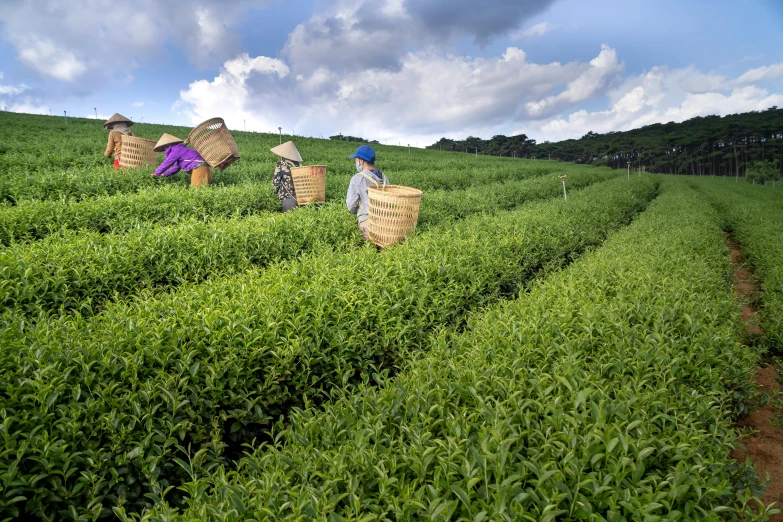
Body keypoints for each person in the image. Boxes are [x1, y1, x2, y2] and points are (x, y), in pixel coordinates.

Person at [346, 144, 389, 239]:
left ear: (361, 160)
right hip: (386, 224)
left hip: (367, 223)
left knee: (367, 250)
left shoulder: (357, 178)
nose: (355, 161)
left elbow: (351, 206)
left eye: (356, 159)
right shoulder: (385, 178)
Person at [270, 141, 302, 212]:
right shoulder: (299, 166)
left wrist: (273, 194)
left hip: (286, 197)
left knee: (286, 218)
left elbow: (276, 183)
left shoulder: (281, 164)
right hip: (300, 198)